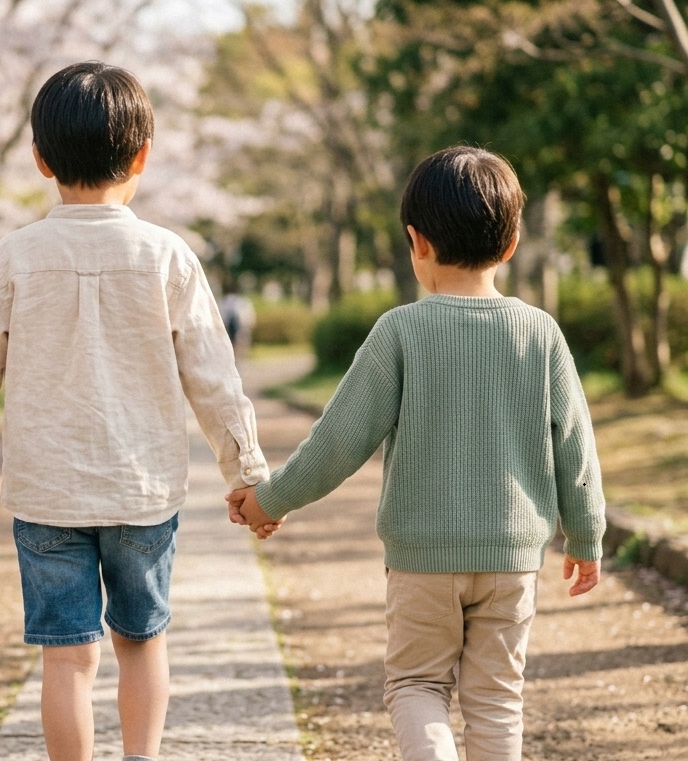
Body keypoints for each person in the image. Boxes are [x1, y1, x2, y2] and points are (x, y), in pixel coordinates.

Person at [0, 61, 269, 761]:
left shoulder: (13, 257)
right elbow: (214, 376)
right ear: (142, 155)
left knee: (66, 658)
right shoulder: (168, 257)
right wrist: (247, 471)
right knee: (142, 643)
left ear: (40, 159)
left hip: (47, 491)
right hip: (142, 491)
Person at [228, 146, 607, 761]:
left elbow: (339, 441)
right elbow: (576, 447)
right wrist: (587, 537)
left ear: (416, 242)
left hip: (422, 557)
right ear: (511, 244)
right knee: (497, 699)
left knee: (416, 685)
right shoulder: (541, 333)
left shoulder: (400, 332)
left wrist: (269, 499)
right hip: (512, 557)